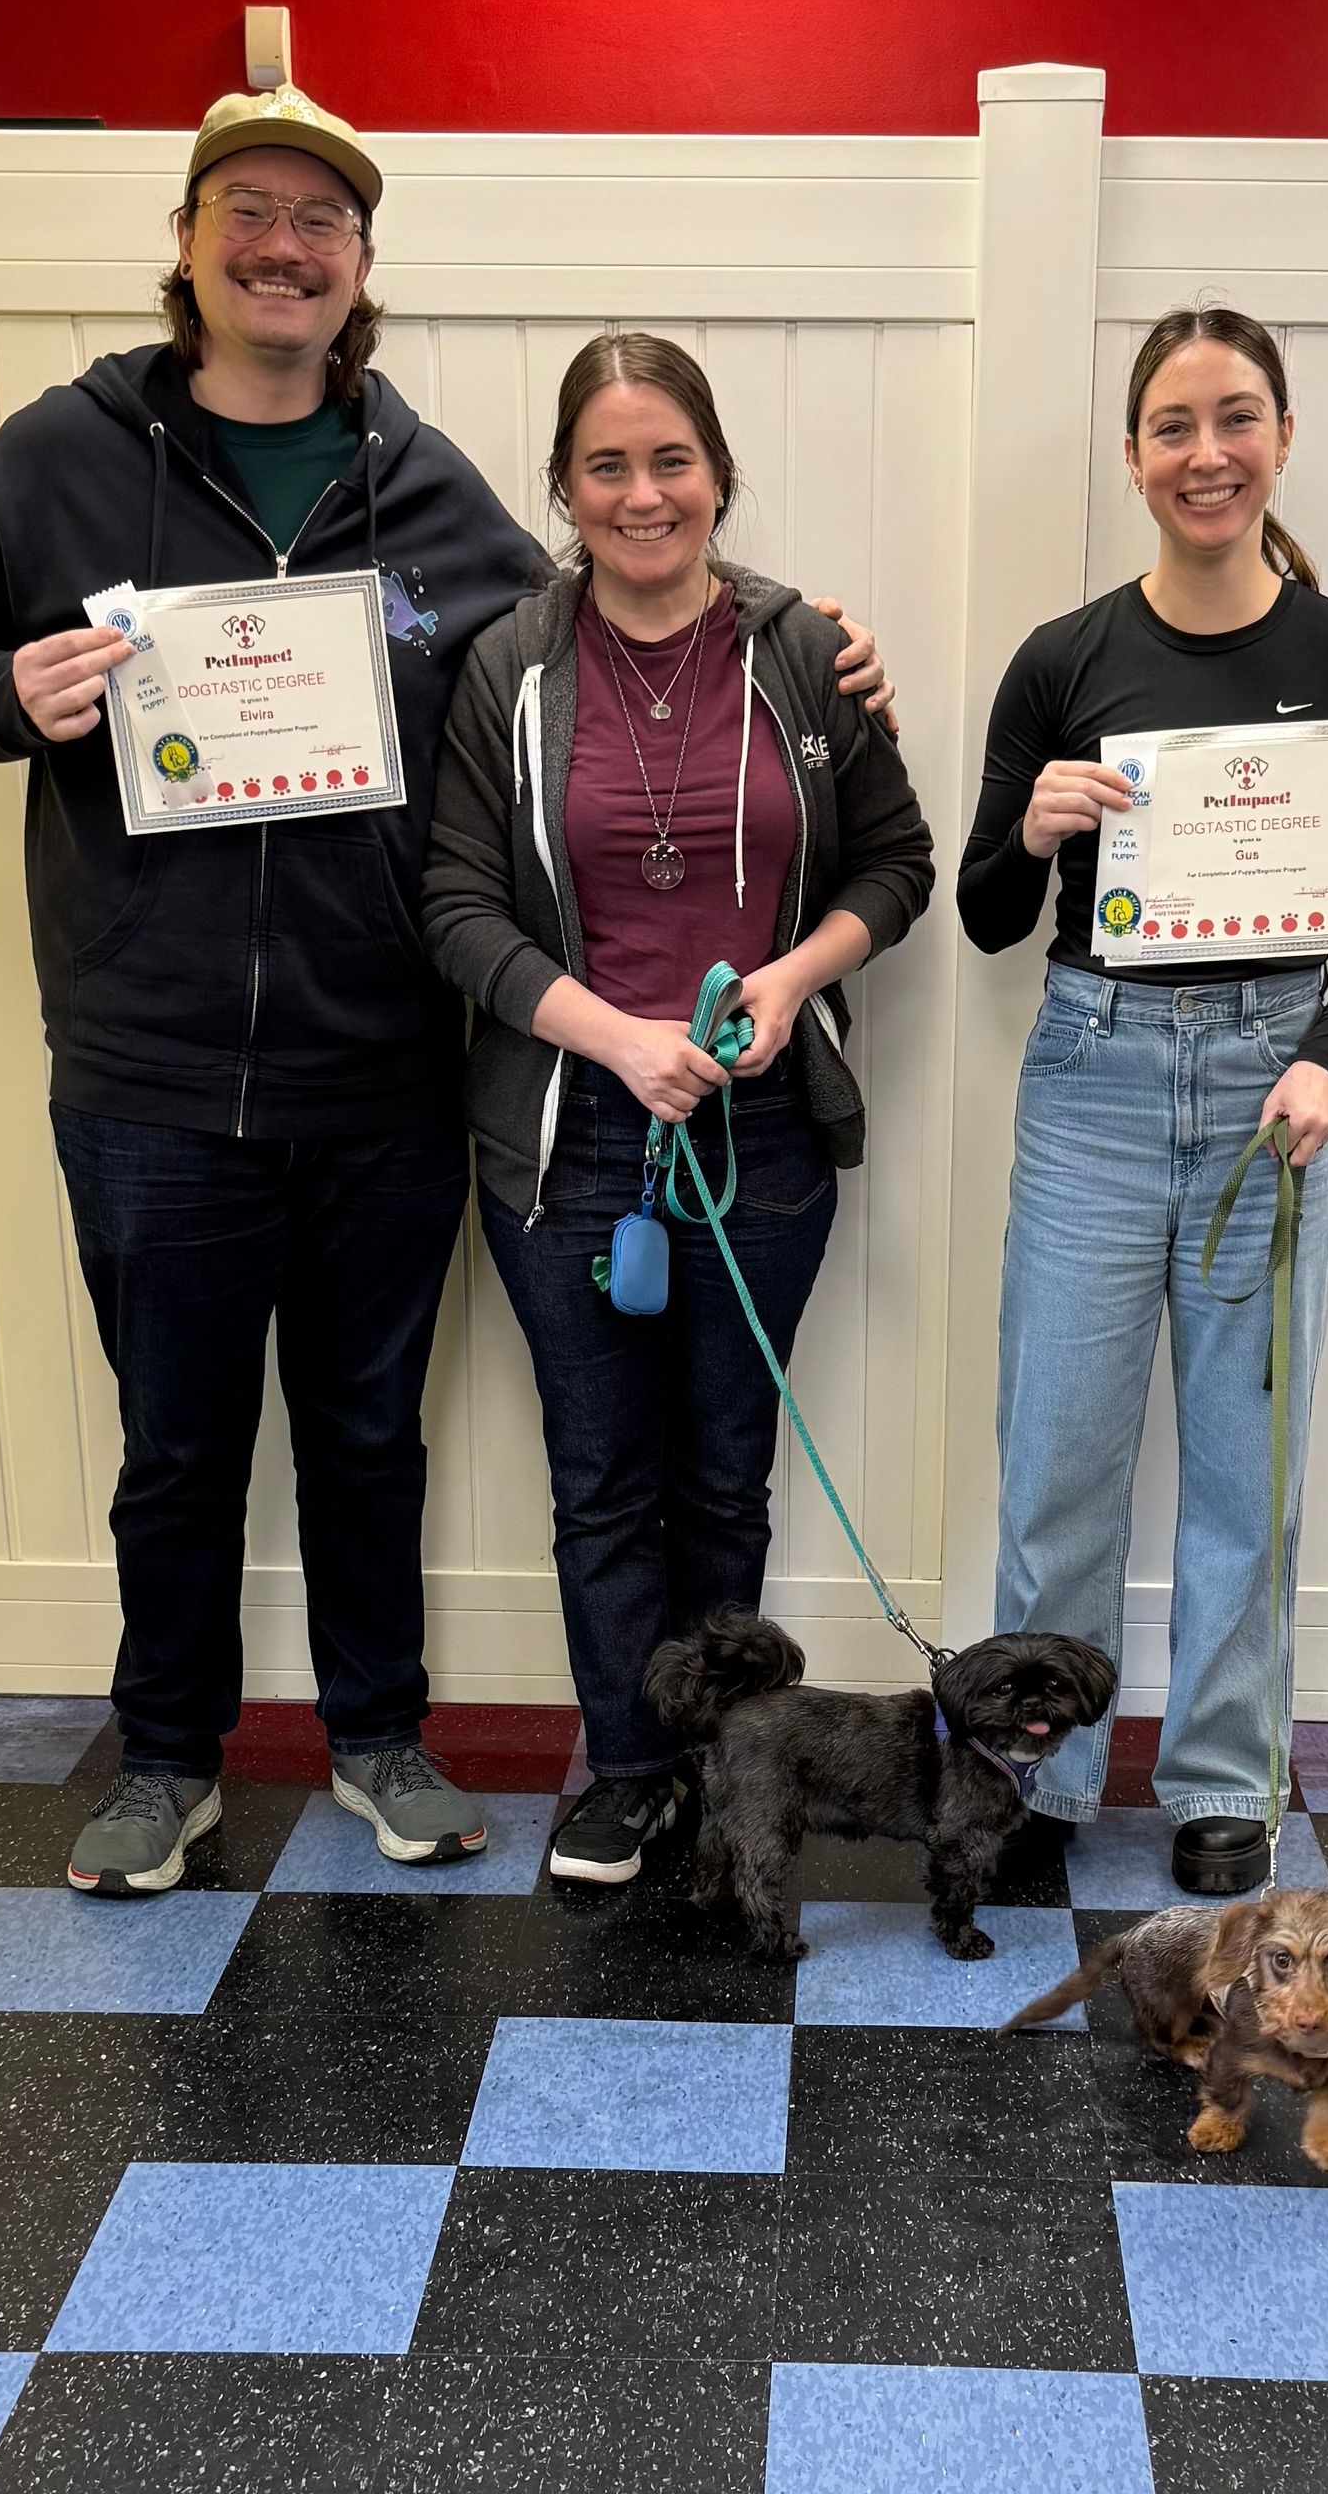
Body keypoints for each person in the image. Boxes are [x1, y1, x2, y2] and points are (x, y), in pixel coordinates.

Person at [0, 91, 893, 1897]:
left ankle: (376, 1740)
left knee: (368, 1433)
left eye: (323, 223)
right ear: (190, 239)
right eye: (249, 212)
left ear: (362, 267)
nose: (284, 247)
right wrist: (3, 696)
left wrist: (809, 635)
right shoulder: (54, 454)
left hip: (385, 1076)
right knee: (174, 1445)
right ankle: (168, 1762)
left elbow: (610, 617)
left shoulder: (435, 495)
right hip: (146, 1063)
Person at [422, 333, 933, 1885]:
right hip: (571, 1146)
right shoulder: (508, 665)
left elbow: (894, 865)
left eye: (672, 462)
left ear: (717, 475)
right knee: (603, 1484)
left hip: (766, 1145)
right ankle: (631, 1766)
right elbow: (453, 903)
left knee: (724, 1473)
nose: (642, 496)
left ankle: (736, 1770)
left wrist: (791, 978)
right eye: (605, 467)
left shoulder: (804, 655)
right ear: (564, 491)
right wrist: (612, 1039)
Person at [957, 305, 1328, 1897]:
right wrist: (1031, 826)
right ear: (1135, 454)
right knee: (1058, 1461)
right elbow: (981, 919)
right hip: (1092, 1075)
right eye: (1172, 424)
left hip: (1267, 1085)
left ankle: (1227, 1776)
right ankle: (1042, 1769)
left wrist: (1325, 1054)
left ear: (1280, 438)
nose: (1205, 453)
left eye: (1235, 419)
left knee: (1248, 1462)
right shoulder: (1065, 659)